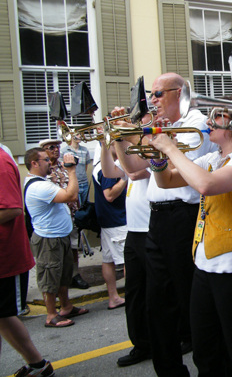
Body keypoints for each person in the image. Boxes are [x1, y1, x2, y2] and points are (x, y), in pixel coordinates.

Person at [150, 111, 232, 377]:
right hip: (205, 268)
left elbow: (206, 185)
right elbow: (166, 181)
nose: (208, 122)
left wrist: (170, 147)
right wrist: (159, 158)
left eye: (219, 116)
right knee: (205, 352)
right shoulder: (212, 158)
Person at [111, 72, 215, 377]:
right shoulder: (160, 128)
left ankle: (211, 368)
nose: (152, 100)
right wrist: (117, 136)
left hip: (184, 216)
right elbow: (132, 169)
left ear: (179, 92)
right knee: (157, 307)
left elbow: (172, 169)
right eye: (151, 95)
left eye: (158, 94)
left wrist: (132, 131)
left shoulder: (195, 122)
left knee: (191, 303)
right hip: (157, 218)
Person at [99, 126, 153, 366]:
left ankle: (180, 336)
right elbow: (109, 171)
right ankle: (141, 344)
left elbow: (133, 172)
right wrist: (104, 141)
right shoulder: (128, 152)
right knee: (133, 293)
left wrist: (124, 139)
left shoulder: (149, 150)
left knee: (159, 293)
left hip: (151, 230)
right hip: (134, 231)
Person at [0, 148, 56, 377]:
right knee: (3, 317)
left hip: (5, 257)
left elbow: (12, 209)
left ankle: (38, 364)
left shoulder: (1, 162)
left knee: (4, 315)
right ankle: (38, 365)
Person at [24, 147, 90, 328]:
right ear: (34, 163)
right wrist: (71, 170)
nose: (50, 162)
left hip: (59, 236)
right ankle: (51, 315)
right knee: (49, 276)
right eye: (45, 160)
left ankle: (66, 306)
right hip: (48, 239)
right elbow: (71, 195)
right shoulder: (39, 186)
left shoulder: (43, 181)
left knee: (63, 275)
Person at [40, 138, 89, 290]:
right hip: (54, 219)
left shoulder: (64, 166)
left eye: (57, 147)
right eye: (51, 147)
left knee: (73, 246)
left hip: (70, 214)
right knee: (56, 252)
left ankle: (74, 275)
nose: (56, 149)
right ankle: (58, 281)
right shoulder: (44, 172)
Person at [92, 145, 127, 310]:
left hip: (108, 220)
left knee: (108, 260)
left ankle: (113, 297)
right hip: (117, 221)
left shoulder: (100, 165)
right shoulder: (108, 168)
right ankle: (130, 295)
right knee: (127, 261)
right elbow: (110, 195)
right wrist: (125, 178)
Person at [60, 132, 93, 204]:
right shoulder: (63, 151)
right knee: (76, 205)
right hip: (73, 184)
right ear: (71, 136)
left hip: (84, 183)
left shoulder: (85, 150)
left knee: (86, 206)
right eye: (77, 134)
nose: (80, 136)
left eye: (80, 134)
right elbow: (62, 168)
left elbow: (85, 167)